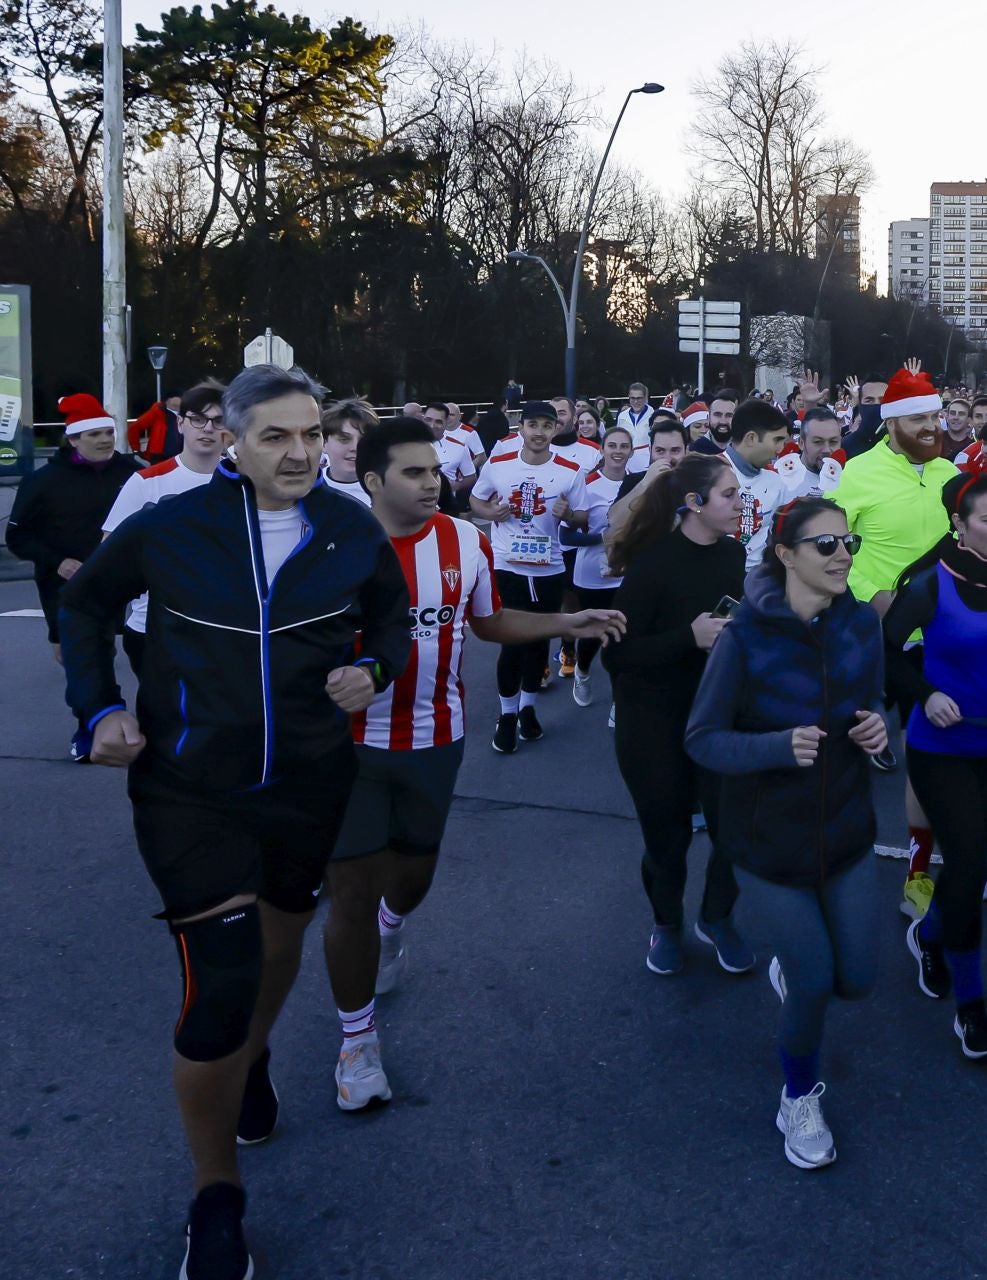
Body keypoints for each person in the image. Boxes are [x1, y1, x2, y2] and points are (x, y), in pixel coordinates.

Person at [58, 363, 411, 1280]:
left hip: (307, 781)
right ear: (233, 441)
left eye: (309, 435)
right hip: (188, 790)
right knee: (219, 986)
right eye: (276, 438)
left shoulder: (347, 527)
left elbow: (391, 621)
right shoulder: (169, 526)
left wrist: (373, 670)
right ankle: (215, 1195)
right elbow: (87, 604)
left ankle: (254, 1059)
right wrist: (97, 709)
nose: (299, 454)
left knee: (280, 940)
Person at [324, 419, 623, 1111]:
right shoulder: (332, 545)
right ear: (373, 482)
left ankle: (393, 934)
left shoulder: (464, 539)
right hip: (346, 744)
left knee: (412, 880)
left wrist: (562, 625)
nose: (434, 482)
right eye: (414, 473)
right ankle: (356, 1041)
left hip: (437, 735)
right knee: (351, 893)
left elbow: (487, 623)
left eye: (435, 470)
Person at [685, 497, 890, 1169]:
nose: (842, 556)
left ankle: (799, 966)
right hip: (767, 843)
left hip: (848, 830)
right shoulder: (745, 636)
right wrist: (775, 747)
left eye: (848, 544)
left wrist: (877, 731)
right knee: (812, 982)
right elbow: (703, 740)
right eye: (825, 545)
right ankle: (797, 1097)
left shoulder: (862, 624)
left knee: (855, 980)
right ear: (785, 554)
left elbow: (877, 706)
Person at [884, 473, 987, 1059]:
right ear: (959, 524)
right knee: (963, 864)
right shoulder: (932, 582)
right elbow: (886, 649)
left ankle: (928, 935)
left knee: (966, 867)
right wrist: (926, 691)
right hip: (940, 748)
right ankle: (972, 1009)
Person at [601, 454, 754, 976]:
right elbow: (616, 656)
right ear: (694, 504)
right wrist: (686, 638)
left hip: (717, 715)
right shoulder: (653, 564)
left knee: (733, 829)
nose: (740, 503)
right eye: (729, 495)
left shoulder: (734, 554)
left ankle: (717, 917)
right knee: (666, 841)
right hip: (653, 722)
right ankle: (666, 924)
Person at [834, 364, 963, 906]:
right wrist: (873, 594)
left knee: (952, 748)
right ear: (892, 424)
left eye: (937, 415)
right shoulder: (858, 472)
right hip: (889, 632)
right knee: (925, 749)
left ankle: (967, 846)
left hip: (952, 631)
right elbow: (836, 548)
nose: (935, 426)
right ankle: (917, 867)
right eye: (922, 418)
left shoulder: (945, 472)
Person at [468, 399, 589, 751]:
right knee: (512, 641)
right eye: (533, 424)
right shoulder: (500, 463)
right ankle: (506, 715)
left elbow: (583, 519)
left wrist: (568, 514)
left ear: (557, 429)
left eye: (546, 426)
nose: (539, 432)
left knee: (539, 641)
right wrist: (491, 510)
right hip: (508, 563)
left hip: (549, 565)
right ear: (521, 427)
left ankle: (528, 709)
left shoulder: (570, 470)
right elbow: (477, 500)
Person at [6, 392, 144, 679]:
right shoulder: (42, 481)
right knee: (78, 656)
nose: (105, 440)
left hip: (112, 580)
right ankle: (94, 714)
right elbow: (17, 536)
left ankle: (100, 710)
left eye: (109, 432)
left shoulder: (132, 473)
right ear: (73, 440)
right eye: (94, 434)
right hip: (62, 583)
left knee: (101, 650)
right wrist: (58, 562)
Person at [101, 382, 230, 675]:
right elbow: (109, 551)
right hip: (152, 627)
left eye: (218, 420)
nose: (208, 428)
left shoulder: (244, 482)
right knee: (162, 716)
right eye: (198, 419)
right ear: (181, 424)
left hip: (223, 627)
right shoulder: (147, 481)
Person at [560, 424, 636, 708]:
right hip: (592, 574)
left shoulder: (640, 483)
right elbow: (566, 536)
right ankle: (582, 669)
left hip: (628, 574)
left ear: (631, 451)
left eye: (624, 446)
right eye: (612, 445)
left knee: (624, 634)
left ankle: (620, 699)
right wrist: (604, 537)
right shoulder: (587, 484)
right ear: (602, 449)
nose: (618, 451)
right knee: (595, 633)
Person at [721, 398, 792, 572]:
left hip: (757, 581)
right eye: (777, 440)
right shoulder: (708, 473)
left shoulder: (777, 481)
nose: (781, 449)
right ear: (751, 438)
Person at [774, 406, 844, 499]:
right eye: (818, 442)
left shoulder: (849, 478)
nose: (827, 450)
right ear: (801, 443)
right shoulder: (779, 481)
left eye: (833, 442)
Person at [317, 398, 377, 506]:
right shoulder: (307, 490)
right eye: (344, 439)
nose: (355, 447)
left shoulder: (388, 490)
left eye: (363, 439)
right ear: (324, 444)